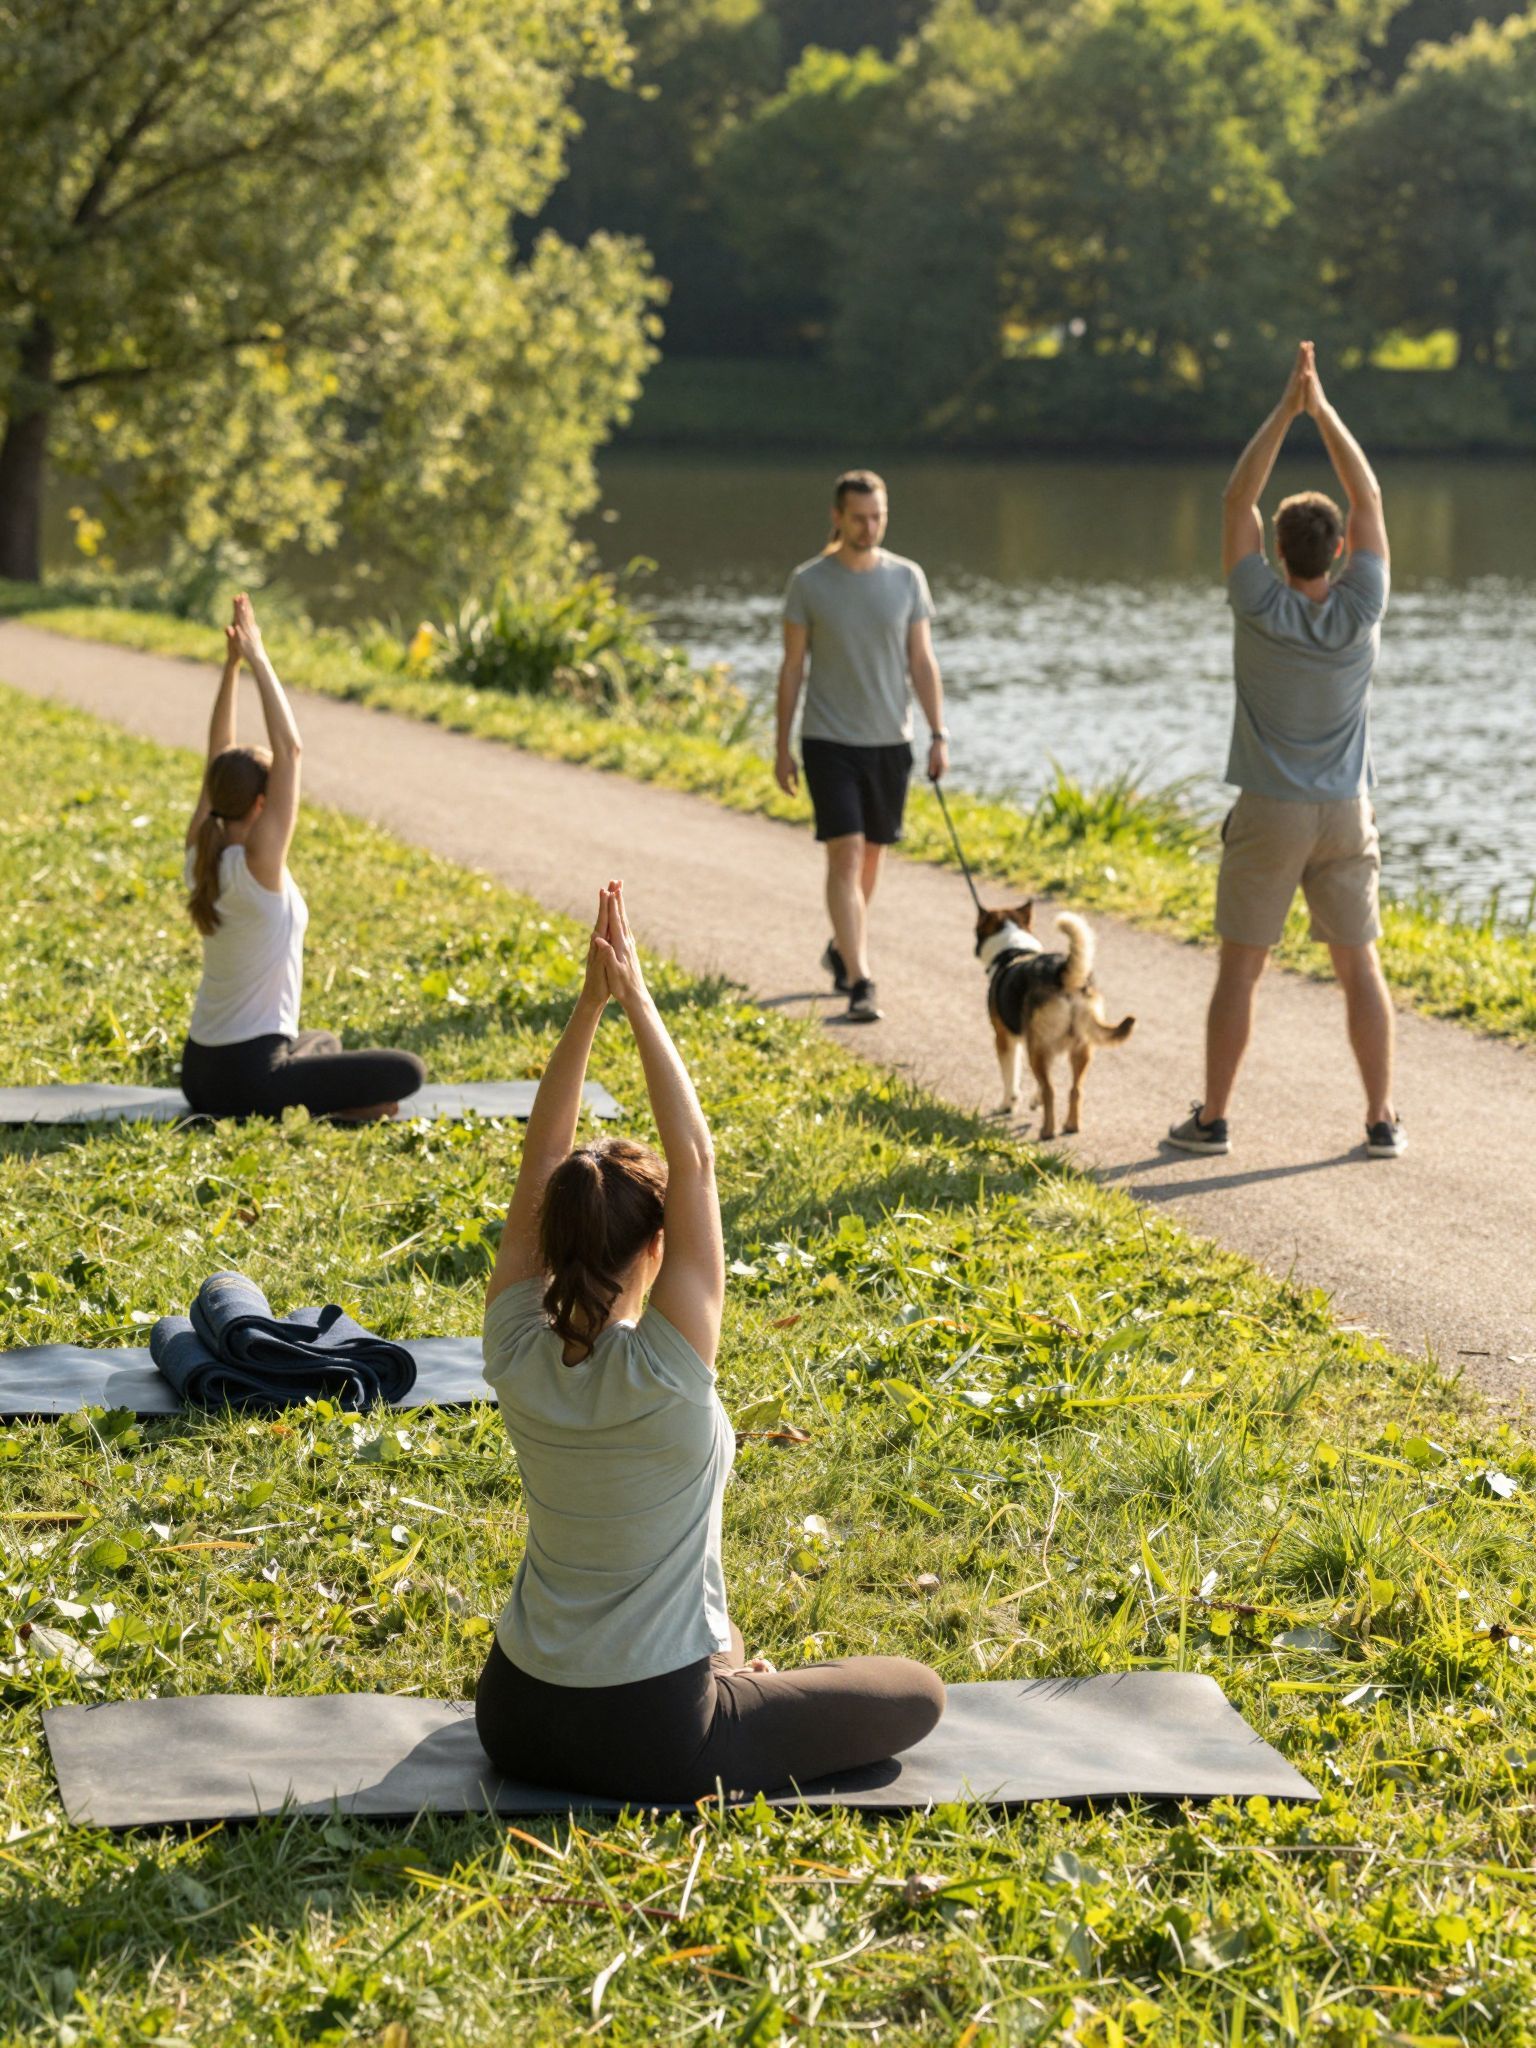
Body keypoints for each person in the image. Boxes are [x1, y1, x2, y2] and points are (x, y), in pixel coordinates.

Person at [474, 880, 944, 1803]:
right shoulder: (670, 1369)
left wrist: (588, 1010)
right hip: (651, 1740)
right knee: (916, 1696)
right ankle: (733, 1683)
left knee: (718, 1640)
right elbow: (694, 1160)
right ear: (657, 1248)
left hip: (516, 1719)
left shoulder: (513, 1349)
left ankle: (728, 1665)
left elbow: (542, 1162)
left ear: (555, 1241)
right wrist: (637, 1000)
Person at [1167, 342, 1405, 1161]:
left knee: (1241, 972)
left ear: (1277, 549)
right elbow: (1366, 492)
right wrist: (1323, 406)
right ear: (1339, 552)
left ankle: (1214, 1121)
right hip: (1346, 811)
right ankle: (1380, 1120)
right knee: (1358, 967)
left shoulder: (1257, 603)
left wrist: (1285, 407)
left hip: (1269, 811)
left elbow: (1238, 494)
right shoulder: (1362, 606)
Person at [180, 594, 426, 1120]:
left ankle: (334, 1099)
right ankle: (333, 1107)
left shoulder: (202, 843)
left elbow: (216, 750)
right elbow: (289, 750)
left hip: (198, 1073)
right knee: (408, 1072)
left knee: (323, 1039)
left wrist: (231, 669)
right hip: (248, 1079)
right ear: (263, 803)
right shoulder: (259, 862)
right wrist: (259, 656)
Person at [776, 469, 949, 1024]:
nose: (869, 527)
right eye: (859, 518)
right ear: (837, 517)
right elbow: (792, 668)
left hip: (889, 741)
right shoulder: (809, 583)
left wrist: (938, 732)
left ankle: (841, 948)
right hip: (828, 739)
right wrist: (781, 745)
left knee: (872, 854)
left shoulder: (907, 579)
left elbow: (921, 661)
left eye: (878, 517)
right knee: (846, 852)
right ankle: (861, 979)